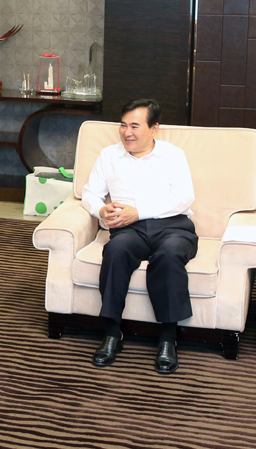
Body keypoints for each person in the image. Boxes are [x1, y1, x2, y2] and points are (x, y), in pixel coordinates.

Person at [81, 99, 198, 374]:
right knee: (115, 251)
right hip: (128, 230)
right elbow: (90, 193)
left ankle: (168, 338)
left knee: (169, 255)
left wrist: (140, 212)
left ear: (154, 128)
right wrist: (100, 209)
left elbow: (183, 198)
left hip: (172, 227)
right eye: (123, 125)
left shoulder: (173, 155)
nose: (127, 132)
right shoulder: (109, 156)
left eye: (135, 126)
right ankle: (112, 333)